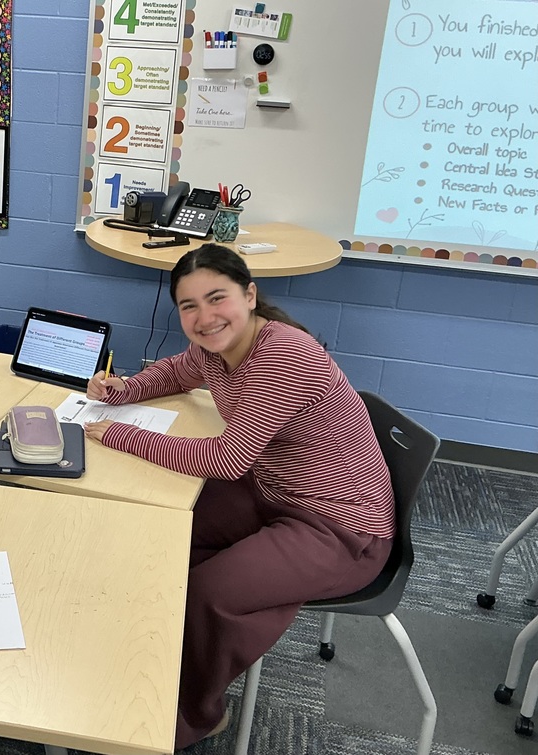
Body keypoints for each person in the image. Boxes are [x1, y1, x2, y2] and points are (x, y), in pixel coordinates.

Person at [82, 244, 395, 748]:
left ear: (249, 296)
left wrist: (117, 434)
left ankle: (192, 714)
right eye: (189, 306)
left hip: (342, 526)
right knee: (158, 533)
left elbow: (225, 460)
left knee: (210, 594)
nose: (204, 317)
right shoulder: (216, 348)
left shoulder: (283, 354)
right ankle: (145, 658)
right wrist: (121, 391)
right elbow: (175, 373)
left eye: (216, 298)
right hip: (273, 493)